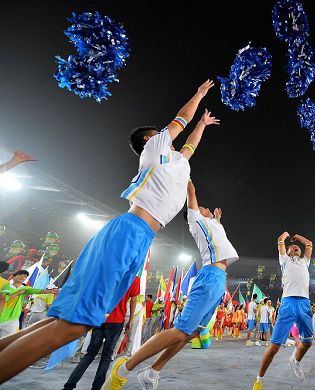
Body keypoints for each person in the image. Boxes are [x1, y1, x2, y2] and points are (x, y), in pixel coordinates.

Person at [0, 81, 218, 383]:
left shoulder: (176, 163)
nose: (167, 134)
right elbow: (181, 119)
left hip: (139, 238)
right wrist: (199, 95)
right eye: (158, 133)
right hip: (129, 232)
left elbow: (190, 143)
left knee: (62, 321)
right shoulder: (154, 150)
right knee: (74, 326)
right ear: (148, 141)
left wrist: (204, 124)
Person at [103, 178, 239, 389]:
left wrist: (218, 219)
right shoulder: (195, 220)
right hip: (211, 276)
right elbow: (191, 190)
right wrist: (181, 167)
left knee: (191, 332)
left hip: (219, 279)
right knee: (180, 330)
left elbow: (217, 238)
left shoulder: (211, 224)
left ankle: (153, 371)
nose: (205, 208)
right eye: (203, 207)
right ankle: (124, 368)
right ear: (195, 213)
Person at [253, 232, 314, 390]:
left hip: (304, 303)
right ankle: (259, 381)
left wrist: (297, 237)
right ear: (286, 253)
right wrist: (287, 236)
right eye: (291, 247)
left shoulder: (305, 261)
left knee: (307, 342)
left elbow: (309, 244)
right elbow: (280, 240)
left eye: (297, 248)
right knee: (274, 348)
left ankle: (295, 360)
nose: (295, 248)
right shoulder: (285, 260)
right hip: (288, 303)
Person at [63, 277, 140, 390]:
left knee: (89, 354)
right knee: (106, 356)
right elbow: (133, 300)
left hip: (100, 318)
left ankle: (69, 386)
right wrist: (131, 319)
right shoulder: (134, 278)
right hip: (116, 321)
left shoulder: (112, 272)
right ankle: (96, 387)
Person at [0, 270, 57, 337]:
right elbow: (3, 298)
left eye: (25, 276)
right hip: (2, 316)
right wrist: (18, 293)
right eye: (20, 275)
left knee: (7, 340)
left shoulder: (25, 288)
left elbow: (37, 290)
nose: (22, 277)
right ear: (14, 277)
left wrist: (49, 291)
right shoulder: (7, 286)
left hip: (13, 319)